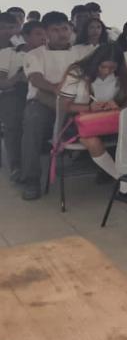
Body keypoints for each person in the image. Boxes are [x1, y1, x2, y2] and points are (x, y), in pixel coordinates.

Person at [19, 11, 78, 200]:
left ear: (70, 29)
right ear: (46, 32)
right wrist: (57, 89)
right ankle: (31, 181)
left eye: (65, 29)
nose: (61, 33)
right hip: (42, 102)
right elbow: (36, 79)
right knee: (32, 124)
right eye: (55, 30)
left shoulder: (81, 53)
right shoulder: (35, 54)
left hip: (76, 102)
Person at [57, 43, 127, 192]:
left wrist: (114, 104)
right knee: (91, 140)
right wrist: (88, 107)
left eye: (112, 68)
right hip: (79, 121)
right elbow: (65, 106)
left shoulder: (120, 75)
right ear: (95, 62)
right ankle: (123, 181)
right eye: (103, 67)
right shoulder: (77, 72)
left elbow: (124, 101)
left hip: (107, 120)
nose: (107, 71)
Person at [0, 13, 33, 182]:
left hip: (19, 91)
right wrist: (17, 78)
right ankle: (16, 166)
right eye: (2, 27)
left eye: (11, 27)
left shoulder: (19, 48)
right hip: (8, 94)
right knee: (13, 119)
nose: (7, 31)